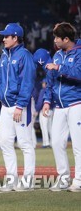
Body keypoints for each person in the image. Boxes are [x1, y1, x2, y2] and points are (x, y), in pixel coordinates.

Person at [0, 23, 36, 191]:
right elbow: (2, 79)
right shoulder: (4, 55)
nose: (4, 38)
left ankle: (28, 181)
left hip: (20, 105)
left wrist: (21, 105)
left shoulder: (24, 55)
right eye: (4, 36)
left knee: (25, 144)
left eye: (7, 36)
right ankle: (11, 180)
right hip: (5, 106)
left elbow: (27, 82)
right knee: (5, 143)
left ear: (16, 38)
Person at [42, 22, 81, 192]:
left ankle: (79, 180)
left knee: (79, 144)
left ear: (66, 39)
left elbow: (79, 74)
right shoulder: (57, 54)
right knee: (56, 142)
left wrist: (59, 67)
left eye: (58, 37)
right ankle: (63, 178)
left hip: (76, 103)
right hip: (59, 106)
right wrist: (46, 100)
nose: (55, 40)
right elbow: (50, 80)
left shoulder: (79, 53)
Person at [32, 49, 53, 149]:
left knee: (44, 127)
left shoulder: (44, 90)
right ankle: (51, 143)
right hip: (53, 108)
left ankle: (46, 143)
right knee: (50, 127)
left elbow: (40, 100)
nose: (43, 84)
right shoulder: (52, 87)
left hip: (45, 109)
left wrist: (36, 109)